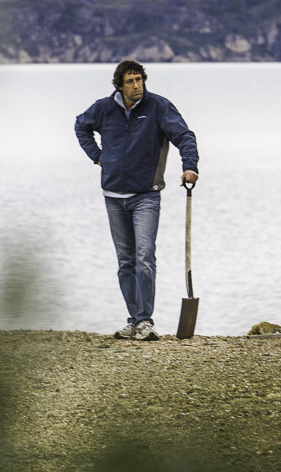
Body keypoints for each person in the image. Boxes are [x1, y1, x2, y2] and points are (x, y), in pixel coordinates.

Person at [74, 59, 199, 340]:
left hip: (146, 195)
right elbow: (81, 125)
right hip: (113, 196)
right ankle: (133, 320)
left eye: (139, 79)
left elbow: (185, 136)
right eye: (130, 81)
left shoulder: (158, 107)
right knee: (125, 261)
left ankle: (145, 321)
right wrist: (97, 155)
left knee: (145, 257)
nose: (136, 85)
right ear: (120, 85)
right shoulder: (103, 109)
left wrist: (189, 166)